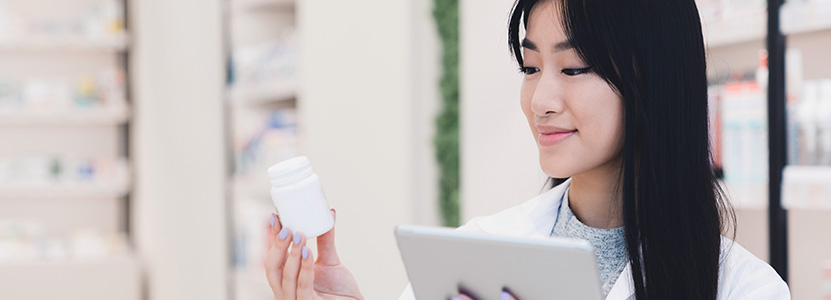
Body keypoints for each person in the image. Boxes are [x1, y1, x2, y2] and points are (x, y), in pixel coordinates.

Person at [263, 0, 792, 299]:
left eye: (574, 68)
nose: (541, 99)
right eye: (531, 67)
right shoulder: (476, 253)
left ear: (653, 79)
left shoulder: (745, 289)